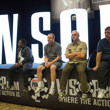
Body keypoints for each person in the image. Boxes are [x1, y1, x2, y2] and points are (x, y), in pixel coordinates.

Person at [59, 30, 88, 99]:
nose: (73, 36)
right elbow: (66, 56)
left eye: (75, 35)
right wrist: (76, 53)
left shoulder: (83, 44)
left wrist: (71, 55)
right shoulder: (69, 45)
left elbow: (82, 56)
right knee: (64, 71)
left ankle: (84, 92)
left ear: (78, 36)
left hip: (81, 62)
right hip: (71, 62)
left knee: (81, 71)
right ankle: (62, 90)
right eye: (72, 35)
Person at [93, 26, 110, 98]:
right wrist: (97, 65)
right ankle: (102, 89)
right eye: (105, 33)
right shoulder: (101, 42)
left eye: (108, 33)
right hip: (105, 61)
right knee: (100, 68)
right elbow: (99, 54)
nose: (106, 34)